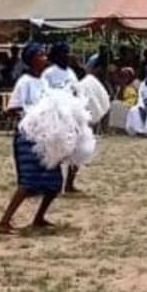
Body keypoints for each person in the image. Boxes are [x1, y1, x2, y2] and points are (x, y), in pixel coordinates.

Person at [0, 44, 62, 234]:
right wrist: (31, 113)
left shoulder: (44, 81)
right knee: (28, 182)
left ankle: (39, 217)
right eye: (40, 54)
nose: (45, 56)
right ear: (32, 59)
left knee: (53, 183)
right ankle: (3, 222)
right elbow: (11, 109)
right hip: (28, 137)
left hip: (44, 136)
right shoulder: (24, 82)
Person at [41, 41, 83, 193]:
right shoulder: (48, 73)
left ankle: (70, 183)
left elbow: (77, 90)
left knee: (77, 149)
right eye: (64, 53)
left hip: (73, 115)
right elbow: (45, 93)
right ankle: (53, 183)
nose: (67, 56)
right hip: (57, 116)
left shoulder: (71, 72)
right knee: (56, 149)